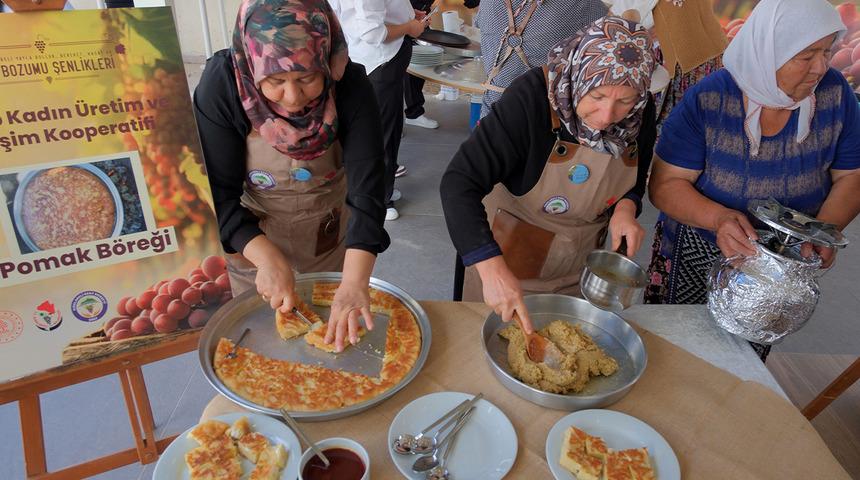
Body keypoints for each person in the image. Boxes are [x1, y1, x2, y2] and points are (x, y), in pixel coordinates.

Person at [645, 0, 860, 360]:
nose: (821, 67)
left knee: (742, 361)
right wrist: (719, 219)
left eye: (826, 51)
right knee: (675, 352)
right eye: (806, 55)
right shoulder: (710, 99)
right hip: (698, 249)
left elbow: (852, 176)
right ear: (769, 51)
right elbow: (665, 185)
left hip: (780, 266)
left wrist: (821, 232)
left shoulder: (835, 94)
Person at [193, 0, 390, 353]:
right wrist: (267, 259)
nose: (293, 97)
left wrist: (355, 280)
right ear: (252, 66)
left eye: (307, 78)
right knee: (260, 349)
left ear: (325, 58)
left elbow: (369, 189)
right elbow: (215, 195)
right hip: (252, 239)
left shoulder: (349, 84)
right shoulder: (223, 84)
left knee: (332, 337)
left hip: (327, 234)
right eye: (275, 81)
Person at [441, 16, 657, 332]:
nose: (607, 116)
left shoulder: (639, 109)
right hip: (508, 262)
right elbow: (459, 182)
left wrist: (626, 208)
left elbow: (637, 171)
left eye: (624, 101)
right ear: (579, 74)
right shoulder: (531, 98)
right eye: (597, 96)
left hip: (579, 266)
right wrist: (491, 269)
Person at [329, 0, 428, 221]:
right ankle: (380, 200)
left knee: (381, 129)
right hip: (379, 61)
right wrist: (409, 27)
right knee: (383, 134)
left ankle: (380, 191)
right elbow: (373, 33)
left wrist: (405, 14)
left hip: (371, 58)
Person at [476, 0, 607, 118]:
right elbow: (609, 34)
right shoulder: (582, 4)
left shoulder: (488, 3)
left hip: (490, 115)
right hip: (540, 117)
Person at [403, 0, 439, 130]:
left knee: (419, 63)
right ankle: (412, 114)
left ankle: (413, 113)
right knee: (410, 68)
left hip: (418, 21)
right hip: (402, 25)